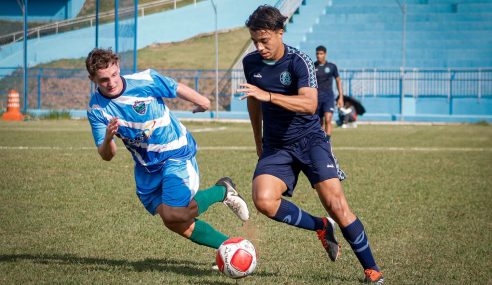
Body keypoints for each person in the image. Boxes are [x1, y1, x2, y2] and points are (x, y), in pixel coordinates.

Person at [238, 5, 384, 284]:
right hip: (276, 145)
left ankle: (372, 270)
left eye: (265, 40)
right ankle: (319, 226)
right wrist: (258, 140)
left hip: (310, 140)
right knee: (264, 201)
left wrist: (268, 96)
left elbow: (309, 104)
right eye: (255, 40)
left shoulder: (299, 62)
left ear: (280, 33)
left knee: (337, 205)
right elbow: (253, 101)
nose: (260, 46)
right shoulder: (251, 63)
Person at [85, 48, 250, 256]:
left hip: (175, 152)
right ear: (92, 79)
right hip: (146, 167)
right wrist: (109, 136)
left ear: (118, 67)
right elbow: (107, 154)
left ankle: (221, 192)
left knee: (175, 213)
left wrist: (203, 102)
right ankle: (232, 246)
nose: (111, 83)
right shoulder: (97, 109)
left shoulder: (145, 80)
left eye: (114, 75)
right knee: (172, 221)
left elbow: (174, 87)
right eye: (103, 80)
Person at [314, 45, 344, 139]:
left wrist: (341, 97)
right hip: (316, 98)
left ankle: (327, 141)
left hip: (328, 97)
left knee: (328, 119)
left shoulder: (332, 66)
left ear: (325, 54)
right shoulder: (312, 66)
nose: (319, 55)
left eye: (321, 53)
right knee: (319, 122)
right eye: (317, 53)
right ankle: (321, 142)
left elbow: (338, 80)